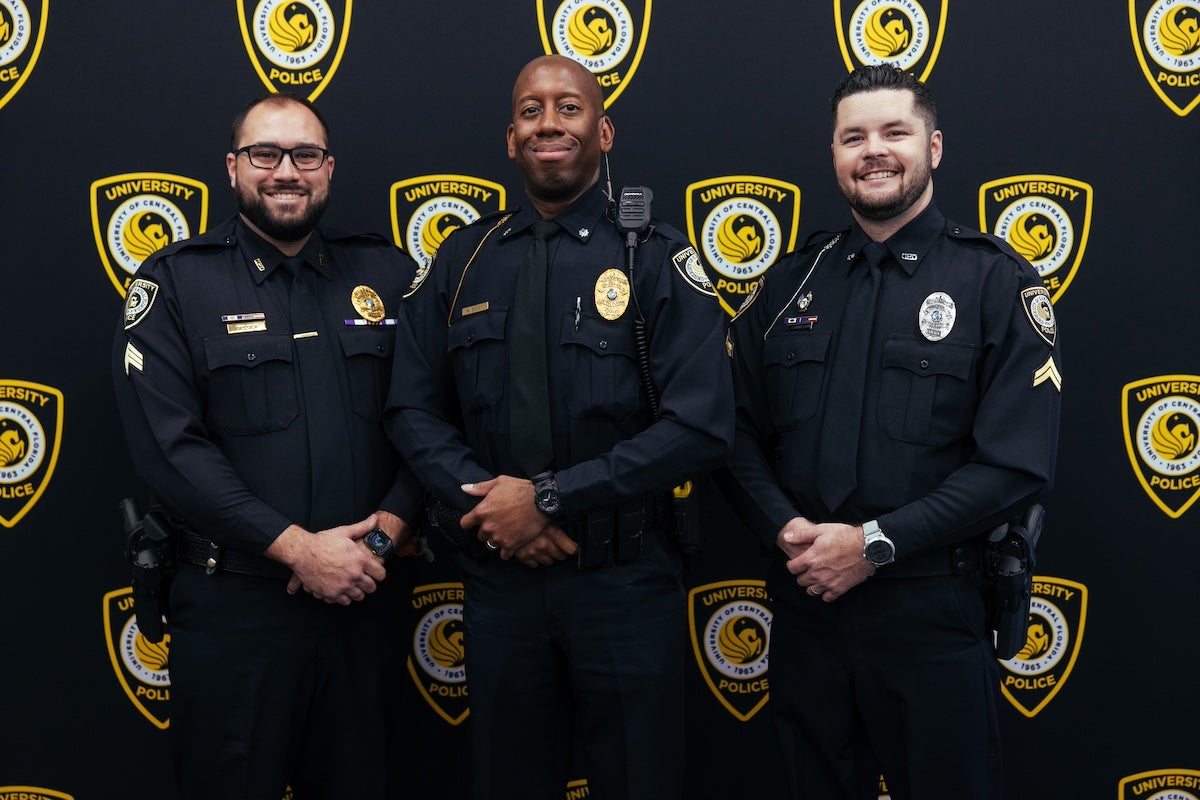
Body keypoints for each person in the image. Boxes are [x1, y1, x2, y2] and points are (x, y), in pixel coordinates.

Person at [384, 54, 733, 800]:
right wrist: (493, 505)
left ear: (603, 131)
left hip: (626, 580)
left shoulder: (660, 258)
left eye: (569, 108)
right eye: (532, 111)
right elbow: (411, 408)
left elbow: (700, 426)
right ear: (511, 139)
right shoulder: (461, 261)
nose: (550, 123)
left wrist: (547, 499)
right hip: (499, 580)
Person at [721, 65, 1062, 799]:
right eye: (854, 137)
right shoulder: (788, 285)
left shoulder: (997, 283)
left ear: (933, 147)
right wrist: (787, 532)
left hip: (930, 617)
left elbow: (1015, 464)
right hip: (808, 609)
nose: (874, 151)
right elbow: (734, 432)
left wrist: (874, 546)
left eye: (894, 132)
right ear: (835, 154)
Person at [112, 93, 423, 800]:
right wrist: (299, 550)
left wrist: (389, 532)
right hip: (235, 616)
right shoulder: (175, 283)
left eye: (305, 155)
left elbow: (432, 422)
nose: (286, 171)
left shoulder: (387, 277)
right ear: (232, 167)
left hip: (364, 611)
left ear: (329, 168)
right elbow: (170, 451)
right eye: (265, 154)